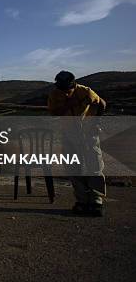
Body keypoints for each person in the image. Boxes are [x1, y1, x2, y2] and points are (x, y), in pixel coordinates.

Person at [47, 71, 107, 216]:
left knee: (94, 166)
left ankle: (96, 200)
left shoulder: (85, 91)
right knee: (73, 168)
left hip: (88, 133)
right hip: (69, 135)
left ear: (73, 84)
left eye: (68, 88)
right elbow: (54, 113)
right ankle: (81, 200)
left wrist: (96, 122)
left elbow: (102, 104)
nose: (66, 91)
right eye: (63, 89)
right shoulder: (55, 95)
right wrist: (69, 104)